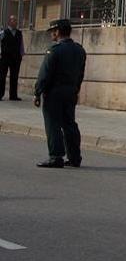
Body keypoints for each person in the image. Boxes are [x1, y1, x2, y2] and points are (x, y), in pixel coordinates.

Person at [33, 19, 85, 168]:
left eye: (53, 32)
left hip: (54, 93)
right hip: (71, 92)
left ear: (57, 32)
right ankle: (75, 157)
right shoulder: (79, 50)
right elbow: (80, 74)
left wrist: (37, 92)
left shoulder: (54, 50)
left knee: (53, 124)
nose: (52, 35)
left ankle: (56, 156)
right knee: (70, 124)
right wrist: (75, 90)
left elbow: (45, 74)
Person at [0, 15, 24, 101]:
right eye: (13, 20)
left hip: (16, 58)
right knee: (2, 76)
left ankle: (13, 95)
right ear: (9, 22)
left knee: (14, 77)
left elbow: (21, 44)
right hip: (5, 57)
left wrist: (21, 54)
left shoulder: (19, 33)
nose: (15, 22)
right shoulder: (3, 32)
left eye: (16, 20)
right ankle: (0, 94)